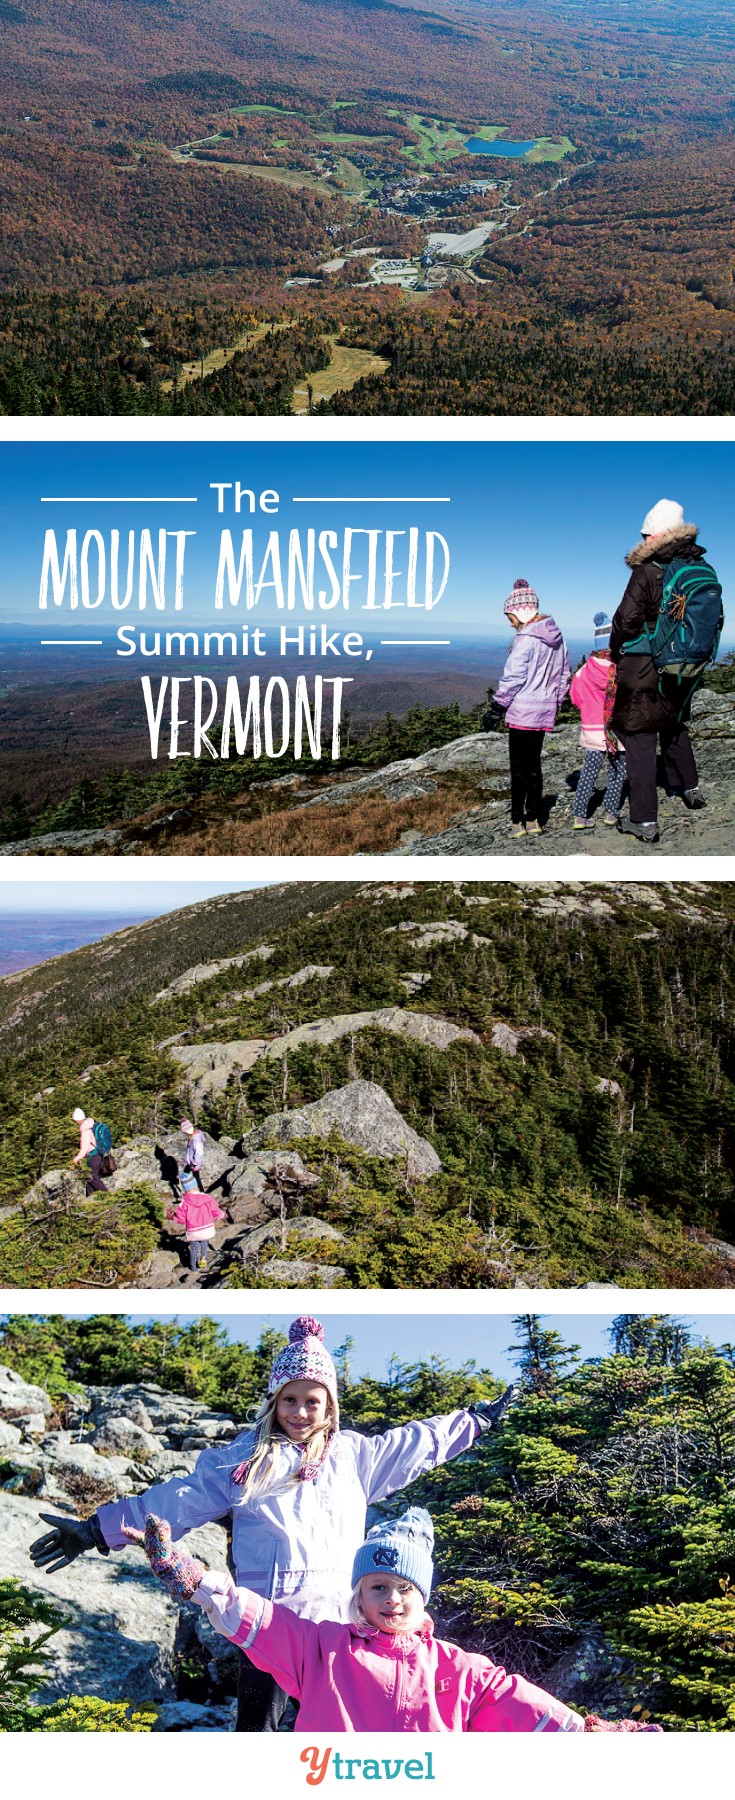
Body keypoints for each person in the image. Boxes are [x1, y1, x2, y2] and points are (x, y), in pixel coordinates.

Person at [29, 1314, 516, 1734]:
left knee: (341, 1729)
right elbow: (177, 1500)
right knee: (257, 1732)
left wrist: (473, 1421)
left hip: (343, 1627)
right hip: (267, 1624)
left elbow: (414, 1444)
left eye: (313, 1401)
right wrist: (96, 1530)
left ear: (330, 1406)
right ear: (273, 1401)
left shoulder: (354, 1457)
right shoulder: (243, 1460)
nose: (300, 1412)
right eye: (289, 1400)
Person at [125, 1508, 660, 1734]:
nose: (392, 1600)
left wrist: (590, 1732)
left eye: (405, 1589)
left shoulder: (459, 1668)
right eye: (378, 1587)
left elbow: (523, 1702)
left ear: (423, 1595)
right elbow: (259, 1619)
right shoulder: (321, 1648)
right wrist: (193, 1577)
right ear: (358, 1593)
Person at [610, 499, 712, 843]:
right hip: (685, 663)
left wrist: (615, 650)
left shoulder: (649, 569)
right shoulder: (697, 565)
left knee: (640, 735)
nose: (643, 538)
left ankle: (643, 820)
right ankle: (690, 789)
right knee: (673, 722)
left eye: (647, 532)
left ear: (660, 533)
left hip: (645, 665)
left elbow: (626, 619)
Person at [486, 577, 570, 839]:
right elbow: (563, 676)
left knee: (518, 769)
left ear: (521, 612)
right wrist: (554, 704)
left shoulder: (525, 640)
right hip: (543, 713)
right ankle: (534, 819)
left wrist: (497, 707)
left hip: (522, 712)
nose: (509, 622)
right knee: (534, 766)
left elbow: (513, 678)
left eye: (509, 616)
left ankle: (517, 822)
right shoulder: (557, 639)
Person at [569, 612, 627, 829]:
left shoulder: (583, 672)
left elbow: (575, 698)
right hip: (617, 730)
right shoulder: (622, 670)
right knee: (617, 772)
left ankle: (580, 816)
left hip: (592, 730)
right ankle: (611, 813)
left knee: (588, 774)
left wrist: (589, 708)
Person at [167, 1180, 226, 1272]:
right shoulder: (208, 1198)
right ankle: (203, 1258)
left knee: (194, 1249)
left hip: (194, 1231)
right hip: (207, 1229)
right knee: (204, 1243)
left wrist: (172, 1217)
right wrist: (222, 1215)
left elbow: (181, 1220)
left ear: (186, 1190)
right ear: (196, 1187)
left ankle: (193, 1267)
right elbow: (215, 1211)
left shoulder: (184, 1203)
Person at [70, 1106, 108, 1196]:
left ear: (78, 1119)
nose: (76, 1123)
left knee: (92, 1178)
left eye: (75, 1120)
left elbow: (84, 1149)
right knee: (89, 1179)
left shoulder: (86, 1130)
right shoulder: (93, 1125)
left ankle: (107, 1195)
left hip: (94, 1156)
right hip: (99, 1154)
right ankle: (90, 1200)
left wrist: (75, 1160)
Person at [179, 1118, 206, 1193]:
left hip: (193, 1163)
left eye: (185, 1132)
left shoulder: (196, 1139)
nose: (185, 1134)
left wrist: (194, 1164)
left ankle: (200, 1193)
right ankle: (199, 1193)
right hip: (190, 1162)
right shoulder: (192, 1137)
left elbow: (199, 1153)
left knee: (188, 1177)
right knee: (192, 1177)